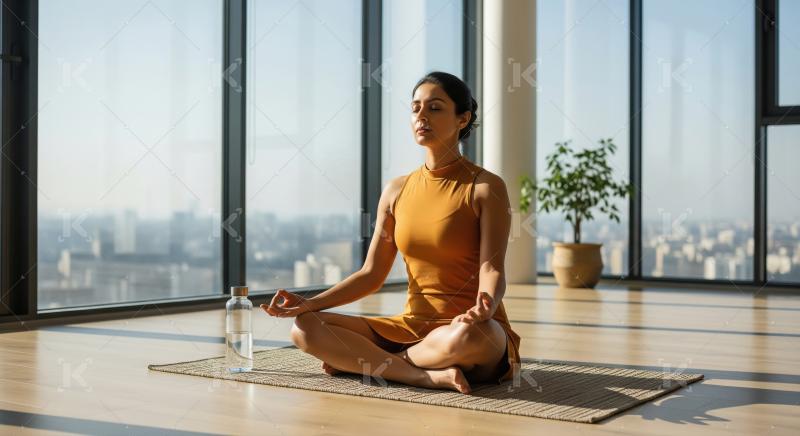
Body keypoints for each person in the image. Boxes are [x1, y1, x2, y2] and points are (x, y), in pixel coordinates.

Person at [262, 71, 521, 394]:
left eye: (435, 108)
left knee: (469, 337)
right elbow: (371, 274)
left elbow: (491, 267)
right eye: (415, 108)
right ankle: (420, 376)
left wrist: (487, 304)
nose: (422, 116)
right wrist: (308, 304)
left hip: (465, 330)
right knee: (305, 328)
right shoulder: (396, 190)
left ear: (462, 118)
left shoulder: (485, 187)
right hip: (408, 328)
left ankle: (373, 363)